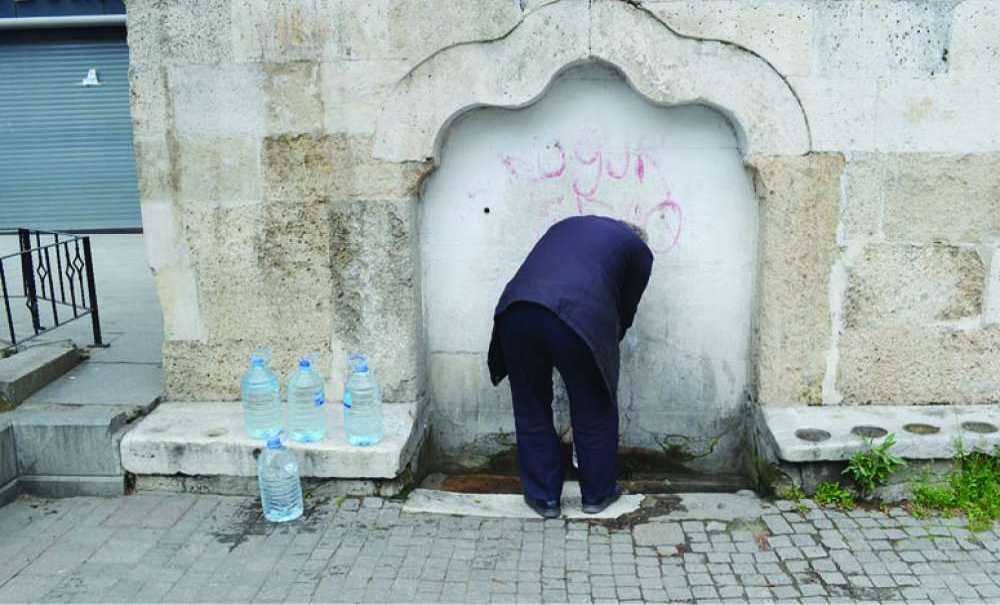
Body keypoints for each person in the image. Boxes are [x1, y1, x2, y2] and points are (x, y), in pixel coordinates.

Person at [487, 215, 654, 518]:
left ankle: (543, 499)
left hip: (516, 311)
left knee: (530, 405)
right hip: (576, 318)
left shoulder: (567, 226)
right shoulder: (637, 249)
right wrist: (602, 352)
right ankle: (597, 495)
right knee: (594, 406)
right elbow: (625, 312)